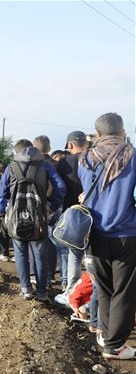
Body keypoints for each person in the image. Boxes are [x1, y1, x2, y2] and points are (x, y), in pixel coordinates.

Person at [77, 112, 136, 360]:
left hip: (95, 235)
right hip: (127, 234)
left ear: (98, 134)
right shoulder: (132, 156)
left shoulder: (85, 159)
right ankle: (114, 345)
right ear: (122, 133)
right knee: (124, 291)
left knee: (105, 288)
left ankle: (108, 337)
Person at [0, 139, 66, 303]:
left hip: (16, 216)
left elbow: (2, 192)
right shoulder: (45, 165)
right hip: (38, 216)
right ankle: (41, 293)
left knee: (20, 253)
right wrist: (51, 206)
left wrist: (0, 211)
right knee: (40, 255)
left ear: (17, 152)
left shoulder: (11, 167)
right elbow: (60, 186)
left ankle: (26, 289)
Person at [53, 131, 89, 305]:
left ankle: (70, 289)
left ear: (70, 145)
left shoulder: (64, 163)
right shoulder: (94, 160)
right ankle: (90, 297)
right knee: (92, 258)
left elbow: (58, 188)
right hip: (94, 213)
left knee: (74, 253)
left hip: (72, 214)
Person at [33, 135, 60, 289]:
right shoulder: (57, 164)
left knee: (36, 242)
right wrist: (54, 205)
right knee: (52, 241)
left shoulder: (31, 164)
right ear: (49, 148)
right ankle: (49, 275)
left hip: (35, 207)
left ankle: (38, 276)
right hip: (52, 207)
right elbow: (60, 186)